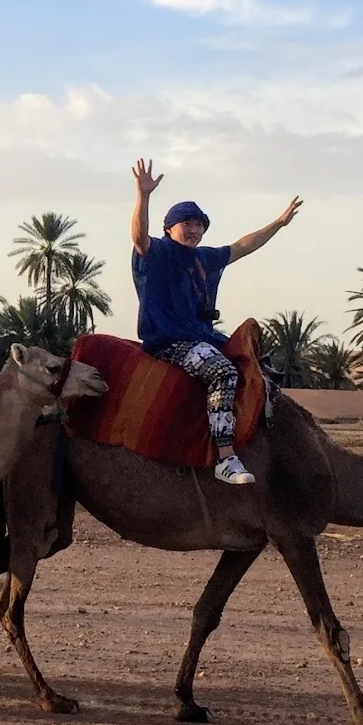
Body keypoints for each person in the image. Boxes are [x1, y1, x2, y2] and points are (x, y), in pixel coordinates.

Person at [129, 158, 301, 487]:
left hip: (203, 337)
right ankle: (225, 457)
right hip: (169, 341)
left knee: (257, 365)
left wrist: (278, 223)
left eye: (199, 224)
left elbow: (242, 246)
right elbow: (139, 237)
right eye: (186, 223)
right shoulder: (159, 252)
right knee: (222, 371)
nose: (193, 229)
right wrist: (143, 196)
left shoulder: (204, 258)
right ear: (169, 228)